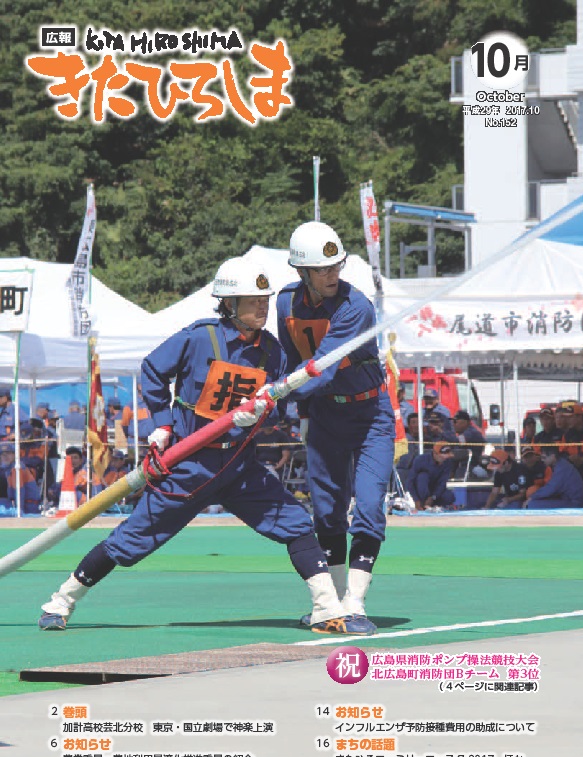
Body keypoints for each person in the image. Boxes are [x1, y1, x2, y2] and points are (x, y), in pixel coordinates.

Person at [39, 257, 365, 636]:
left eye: (265, 299)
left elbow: (278, 411)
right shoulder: (199, 337)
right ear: (228, 304)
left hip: (241, 467)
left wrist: (262, 413)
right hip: (187, 467)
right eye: (251, 300)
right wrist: (160, 426)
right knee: (131, 542)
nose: (262, 306)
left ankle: (326, 610)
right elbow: (152, 371)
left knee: (295, 524)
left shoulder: (273, 353)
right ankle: (62, 600)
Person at [277, 221, 394, 631]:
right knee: (326, 514)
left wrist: (279, 392)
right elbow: (288, 357)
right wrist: (295, 411)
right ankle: (335, 608)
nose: (332, 275)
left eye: (336, 266)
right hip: (324, 416)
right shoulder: (284, 303)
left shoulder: (355, 306)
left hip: (370, 416)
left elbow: (322, 367)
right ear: (301, 272)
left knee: (368, 506)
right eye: (322, 269)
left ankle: (357, 605)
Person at [406, 442, 456, 510]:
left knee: (449, 496)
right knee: (422, 477)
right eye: (442, 456)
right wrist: (416, 499)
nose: (444, 459)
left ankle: (433, 506)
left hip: (435, 491)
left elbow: (442, 483)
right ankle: (422, 503)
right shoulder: (420, 460)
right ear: (435, 454)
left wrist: (433, 497)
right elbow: (410, 481)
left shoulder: (447, 462)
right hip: (420, 490)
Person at [452, 409, 486, 478]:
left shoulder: (471, 432)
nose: (453, 424)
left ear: (465, 422)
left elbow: (458, 441)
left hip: (473, 467)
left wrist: (444, 435)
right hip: (467, 465)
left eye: (455, 422)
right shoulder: (466, 431)